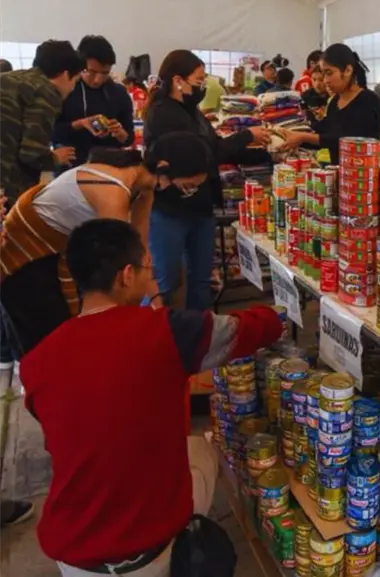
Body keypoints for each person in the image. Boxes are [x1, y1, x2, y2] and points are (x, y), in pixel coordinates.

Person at [20, 218, 284, 577]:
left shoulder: (37, 360)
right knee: (205, 448)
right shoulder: (166, 332)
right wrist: (276, 315)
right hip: (148, 547)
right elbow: (245, 330)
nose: (150, 277)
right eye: (147, 268)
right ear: (126, 275)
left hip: (71, 551)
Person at [0, 131, 210, 356]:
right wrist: (143, 317)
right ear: (164, 167)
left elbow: (141, 250)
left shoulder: (142, 186)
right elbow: (119, 263)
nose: (186, 193)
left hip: (56, 248)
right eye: (186, 187)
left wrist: (156, 301)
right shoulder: (113, 193)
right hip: (28, 251)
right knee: (46, 338)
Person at [144, 50, 269, 311]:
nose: (203, 86)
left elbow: (215, 147)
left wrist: (266, 151)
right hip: (172, 209)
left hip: (200, 207)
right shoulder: (164, 113)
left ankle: (199, 335)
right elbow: (199, 155)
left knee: (201, 280)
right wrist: (245, 135)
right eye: (199, 80)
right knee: (164, 282)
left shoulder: (192, 112)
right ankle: (150, 335)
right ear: (179, 80)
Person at [0, 40, 82, 200]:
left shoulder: (8, 79)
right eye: (75, 81)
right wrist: (56, 157)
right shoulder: (46, 93)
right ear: (66, 75)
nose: (72, 88)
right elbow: (31, 154)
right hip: (6, 183)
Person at [279, 44, 380, 165]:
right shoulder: (334, 102)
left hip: (360, 175)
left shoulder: (368, 100)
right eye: (324, 74)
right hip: (337, 174)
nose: (326, 80)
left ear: (348, 70)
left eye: (329, 73)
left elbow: (347, 140)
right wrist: (288, 133)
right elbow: (323, 131)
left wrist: (303, 137)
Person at [51, 36, 135, 170]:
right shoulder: (66, 90)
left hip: (108, 167)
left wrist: (121, 135)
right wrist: (79, 124)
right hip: (71, 167)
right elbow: (51, 133)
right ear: (80, 65)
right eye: (92, 72)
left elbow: (129, 137)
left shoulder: (118, 93)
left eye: (105, 73)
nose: (97, 79)